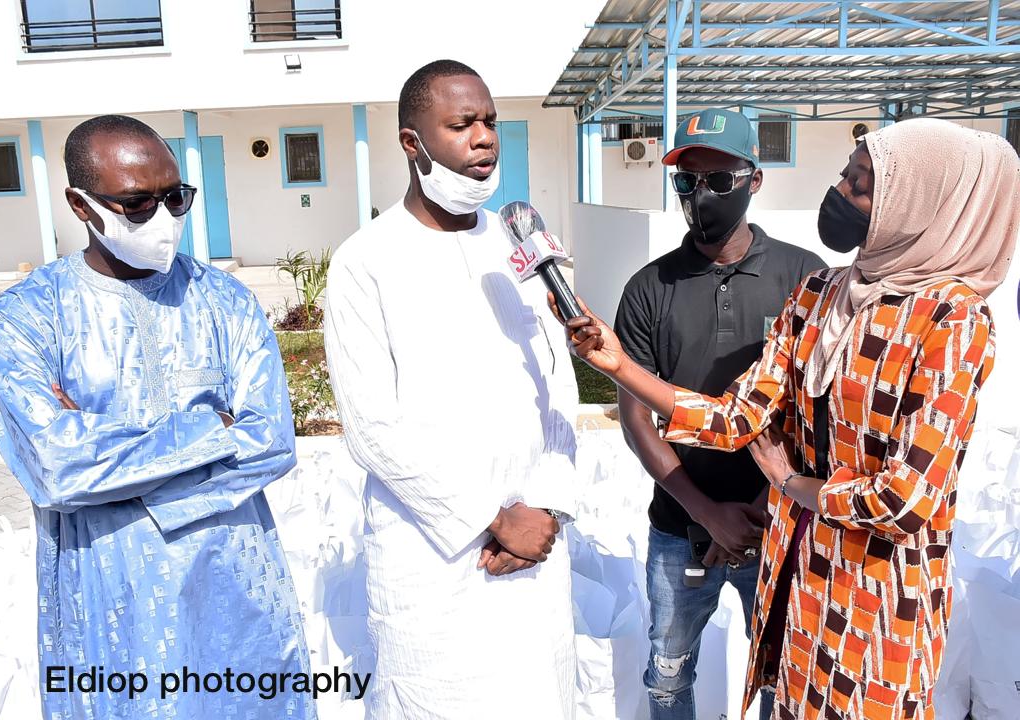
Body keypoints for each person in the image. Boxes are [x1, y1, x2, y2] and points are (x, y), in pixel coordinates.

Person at [557, 118, 1019, 719]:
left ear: (918, 202)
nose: (841, 191)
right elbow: (737, 416)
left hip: (880, 591)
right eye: (844, 174)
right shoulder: (821, 293)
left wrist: (790, 486)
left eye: (861, 182)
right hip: (798, 569)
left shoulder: (952, 323)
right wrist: (619, 366)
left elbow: (908, 499)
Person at [0, 115, 316, 719]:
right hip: (110, 591)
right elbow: (55, 465)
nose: (163, 219)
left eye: (176, 197)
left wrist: (103, 453)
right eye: (137, 204)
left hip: (234, 580)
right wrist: (211, 430)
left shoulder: (226, 300)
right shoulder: (28, 316)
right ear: (81, 206)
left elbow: (270, 440)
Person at [324, 59, 578, 719]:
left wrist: (545, 508)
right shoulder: (365, 260)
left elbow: (559, 388)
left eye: (490, 121)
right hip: (435, 556)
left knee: (542, 698)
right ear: (413, 143)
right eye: (462, 124)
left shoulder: (522, 247)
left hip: (535, 547)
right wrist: (492, 519)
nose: (484, 137)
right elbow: (371, 426)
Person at [614, 108, 824, 719]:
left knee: (781, 681)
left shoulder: (804, 276)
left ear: (753, 180)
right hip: (679, 529)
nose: (700, 195)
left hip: (779, 526)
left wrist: (759, 511)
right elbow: (635, 419)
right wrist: (706, 514)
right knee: (668, 679)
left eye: (717, 180)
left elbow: (818, 414)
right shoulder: (648, 288)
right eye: (687, 181)